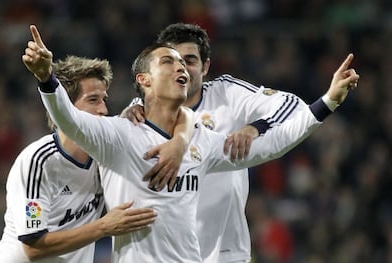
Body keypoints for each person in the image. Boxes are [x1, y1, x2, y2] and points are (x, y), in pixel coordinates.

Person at [22, 24, 358, 262]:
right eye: (168, 61)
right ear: (144, 80)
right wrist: (45, 78)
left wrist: (327, 101)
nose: (181, 67)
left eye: (185, 62)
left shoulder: (201, 140)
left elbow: (274, 145)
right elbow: (68, 118)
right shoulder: (119, 133)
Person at [122, 23, 358, 262]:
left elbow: (291, 106)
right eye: (173, 61)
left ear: (205, 67)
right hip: (163, 251)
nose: (182, 68)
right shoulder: (138, 112)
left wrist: (255, 127)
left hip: (224, 250)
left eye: (190, 60)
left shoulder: (226, 93)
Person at [0, 55, 158, 263]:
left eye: (104, 99)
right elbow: (33, 247)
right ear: (66, 108)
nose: (103, 110)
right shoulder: (39, 160)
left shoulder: (106, 157)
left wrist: (136, 107)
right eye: (92, 100)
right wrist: (104, 227)